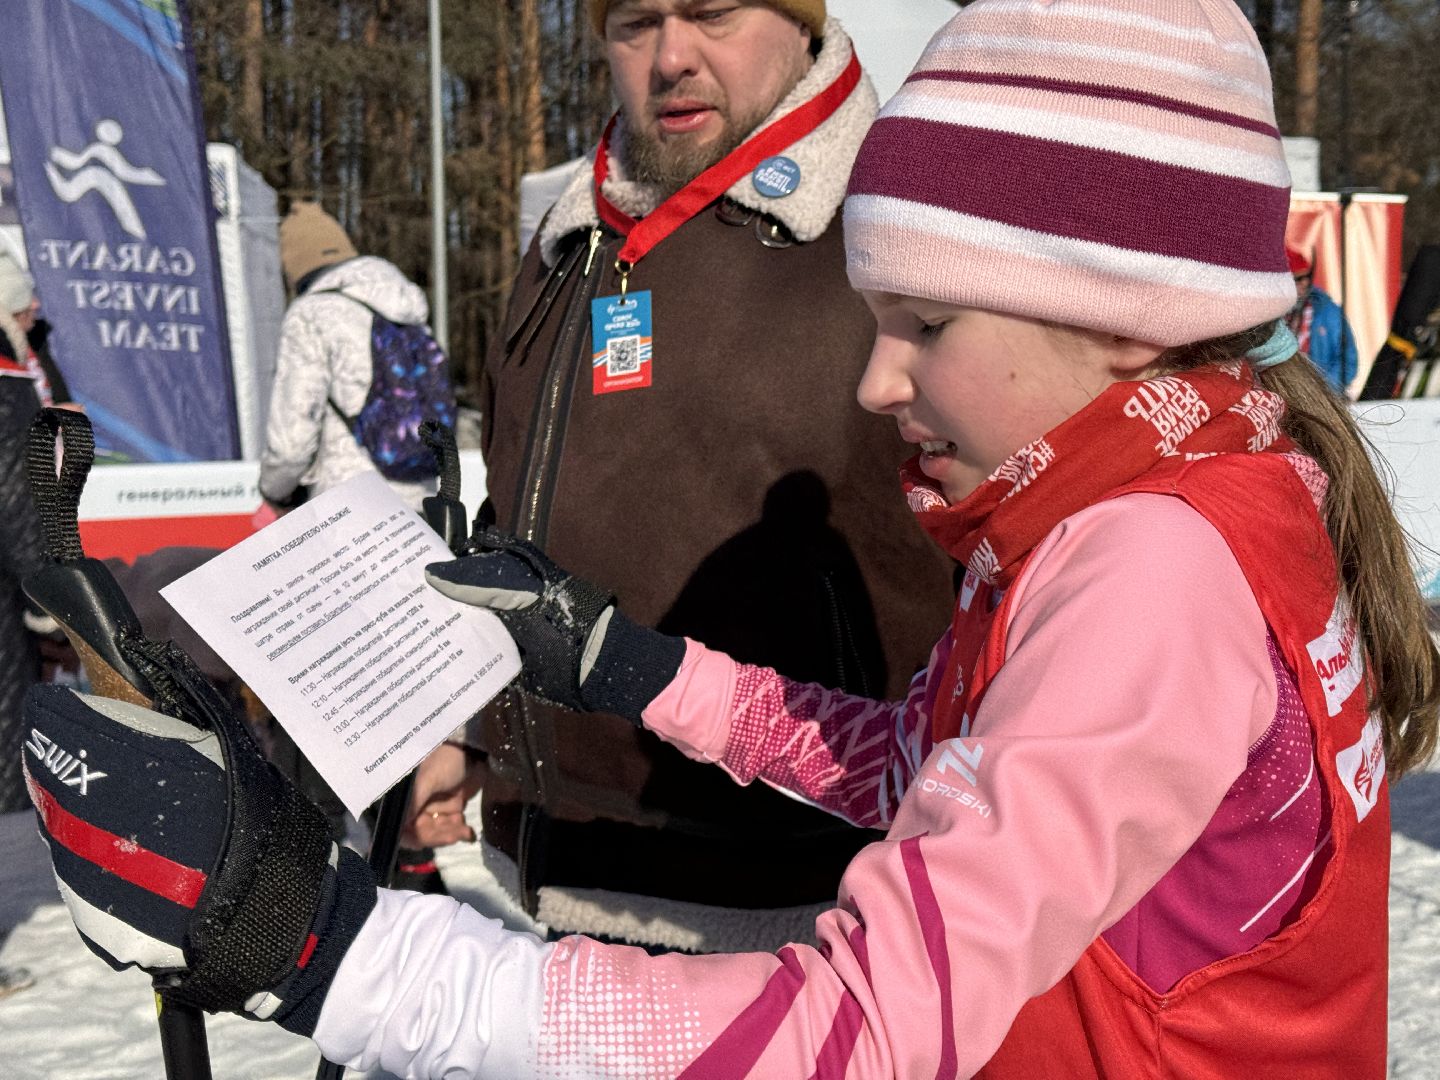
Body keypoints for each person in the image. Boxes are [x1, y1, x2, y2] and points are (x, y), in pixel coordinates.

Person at [25, 2, 1440, 1076]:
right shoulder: (1179, 481)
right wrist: (634, 668)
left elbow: (865, 1026)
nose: (880, 380)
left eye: (927, 324)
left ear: (1124, 313)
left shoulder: (1151, 572)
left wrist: (337, 957)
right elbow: (925, 762)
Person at [406, 0, 955, 955]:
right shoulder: (573, 238)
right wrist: (472, 729)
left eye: (710, 14)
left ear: (800, 22)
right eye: (635, 22)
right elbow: (518, 511)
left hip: (808, 899)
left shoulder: (899, 222)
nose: (670, 57)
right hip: (571, 862)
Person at [258, 201, 445, 512]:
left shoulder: (310, 315)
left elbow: (291, 445)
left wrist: (273, 491)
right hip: (420, 496)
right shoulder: (405, 309)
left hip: (349, 506)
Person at [1285, 246, 1358, 395]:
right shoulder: (1269, 317)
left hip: (1323, 396)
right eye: (1297, 279)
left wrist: (1322, 391)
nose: (1305, 283)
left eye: (1308, 276)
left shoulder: (1329, 312)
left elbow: (1347, 360)